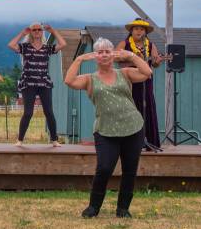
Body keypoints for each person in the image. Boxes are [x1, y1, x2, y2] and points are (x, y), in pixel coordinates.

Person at [64, 38, 153, 218]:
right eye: (100, 52)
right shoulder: (89, 79)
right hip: (105, 130)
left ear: (113, 54)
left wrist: (131, 55)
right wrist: (79, 59)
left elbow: (147, 72)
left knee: (129, 170)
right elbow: (69, 81)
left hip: (133, 127)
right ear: (95, 56)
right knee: (104, 168)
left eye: (107, 51)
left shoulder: (125, 73)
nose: (104, 54)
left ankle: (123, 209)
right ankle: (93, 208)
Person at [8, 22, 67, 147]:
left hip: (44, 83)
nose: (36, 32)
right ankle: (20, 140)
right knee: (28, 113)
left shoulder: (47, 48)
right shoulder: (25, 47)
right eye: (34, 30)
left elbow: (63, 44)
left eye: (39, 29)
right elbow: (11, 45)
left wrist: (53, 31)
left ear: (42, 32)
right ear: (31, 32)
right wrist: (22, 33)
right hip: (28, 83)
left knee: (49, 112)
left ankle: (54, 139)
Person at [115, 18, 170, 151]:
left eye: (141, 29)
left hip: (145, 82)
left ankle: (148, 141)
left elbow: (155, 64)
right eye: (136, 29)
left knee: (146, 109)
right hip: (129, 81)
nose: (139, 31)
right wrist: (131, 57)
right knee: (129, 109)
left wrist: (158, 61)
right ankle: (128, 143)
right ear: (132, 31)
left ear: (145, 32)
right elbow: (115, 57)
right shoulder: (124, 43)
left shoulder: (150, 45)